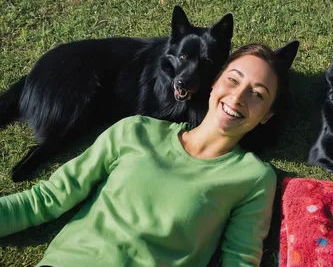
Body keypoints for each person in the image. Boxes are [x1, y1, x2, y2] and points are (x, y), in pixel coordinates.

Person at [0, 41, 299, 267]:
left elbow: (239, 260)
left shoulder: (253, 178)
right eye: (233, 80)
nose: (238, 96)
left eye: (257, 94)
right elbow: (46, 199)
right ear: (214, 83)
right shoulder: (136, 131)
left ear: (266, 116)